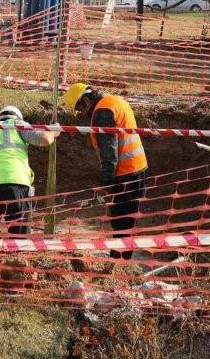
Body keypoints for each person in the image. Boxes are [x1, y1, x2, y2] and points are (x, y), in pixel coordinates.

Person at [63, 82, 148, 259]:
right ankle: (121, 258)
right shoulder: (115, 101)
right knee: (127, 220)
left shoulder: (102, 112)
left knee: (121, 220)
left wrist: (106, 183)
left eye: (80, 109)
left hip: (126, 174)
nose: (82, 114)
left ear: (86, 100)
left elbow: (110, 153)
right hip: (137, 168)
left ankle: (119, 261)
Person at [0, 105, 58, 236]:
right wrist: (54, 131)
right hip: (13, 185)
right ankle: (16, 255)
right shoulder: (17, 124)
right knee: (19, 238)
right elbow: (44, 139)